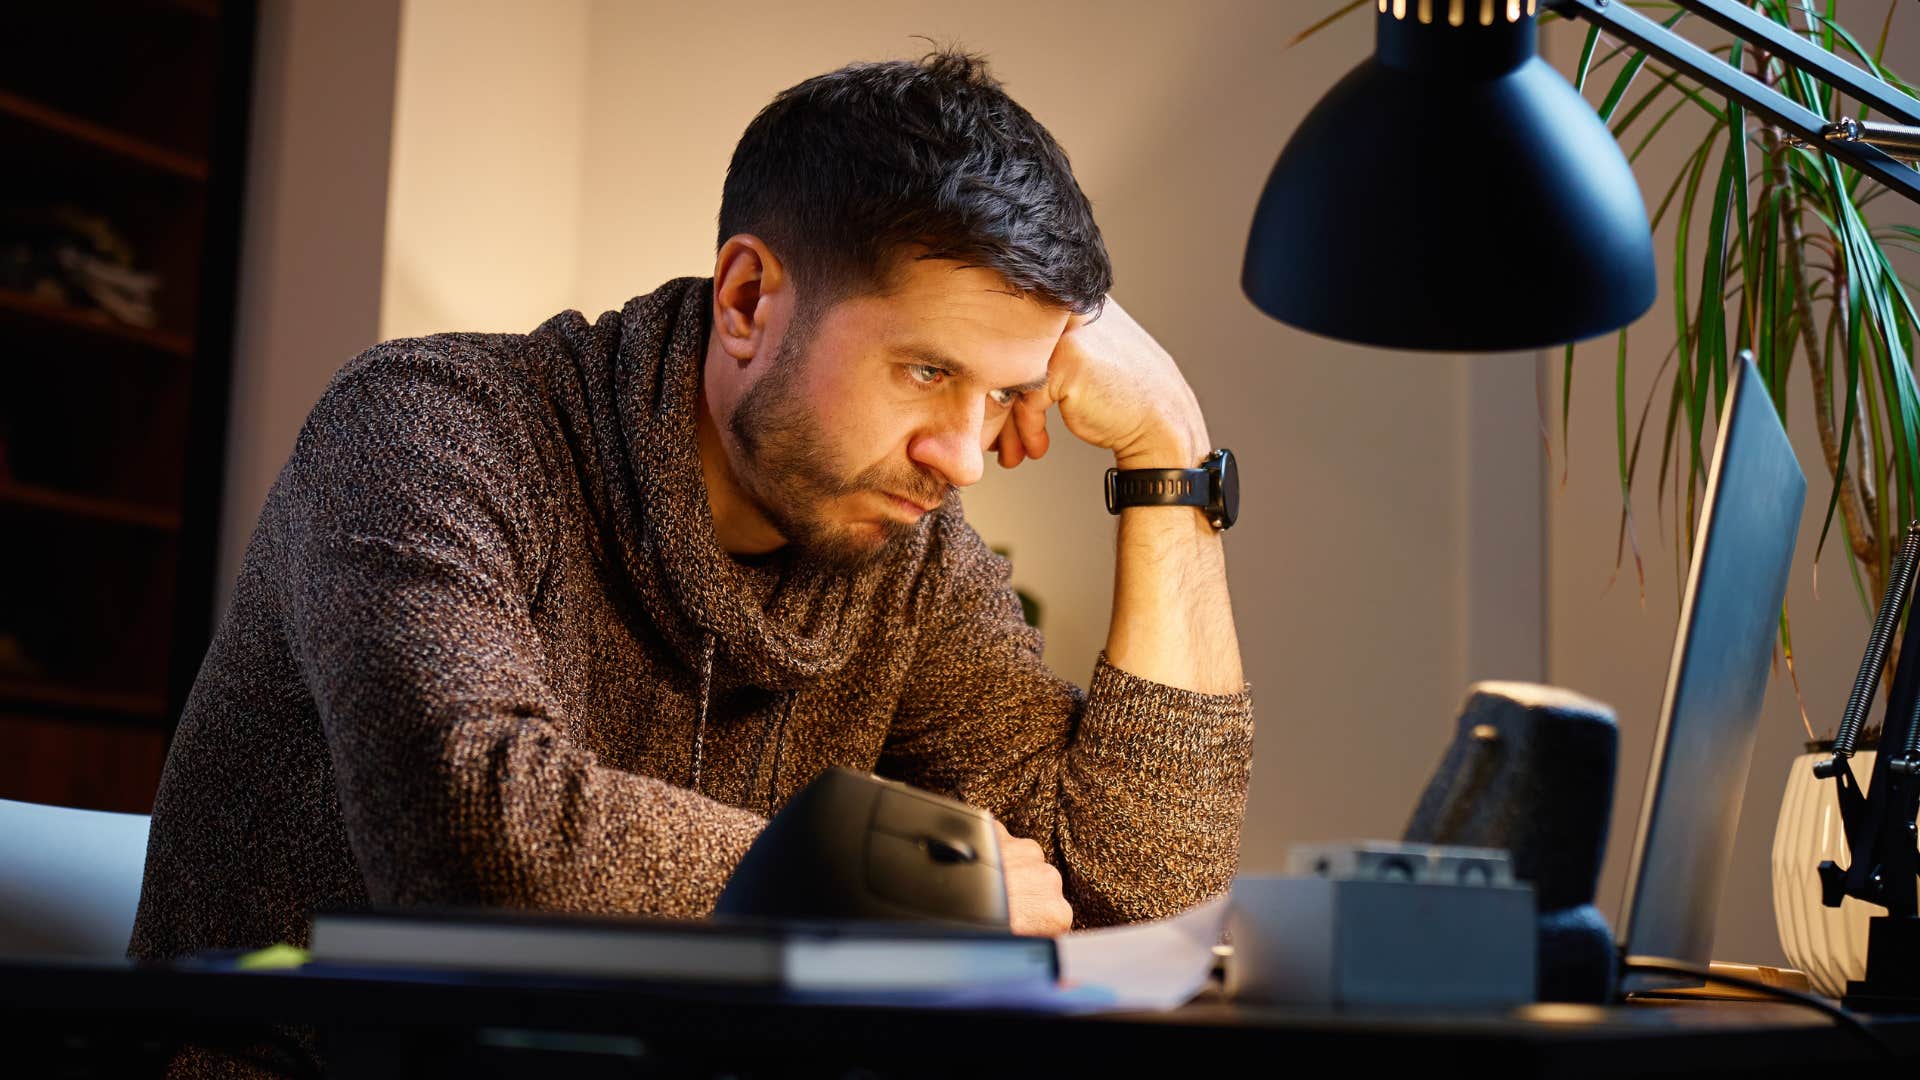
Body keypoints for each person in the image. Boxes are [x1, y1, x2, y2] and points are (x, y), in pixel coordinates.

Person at [129, 45, 1253, 1076]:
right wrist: (900, 886)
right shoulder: (427, 428)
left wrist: (1173, 458)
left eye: (1005, 395)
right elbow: (473, 830)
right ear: (749, 300)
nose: (962, 458)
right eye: (926, 372)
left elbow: (1139, 907)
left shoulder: (910, 558)